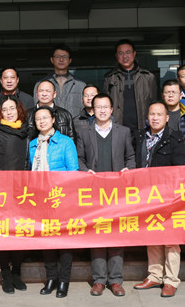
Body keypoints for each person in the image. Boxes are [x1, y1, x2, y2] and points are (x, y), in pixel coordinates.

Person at [76, 93, 135, 297]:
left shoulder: (124, 131)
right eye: (98, 107)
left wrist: (128, 170)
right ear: (93, 110)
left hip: (118, 193)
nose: (102, 110)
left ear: (111, 110)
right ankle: (99, 280)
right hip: (94, 192)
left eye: (105, 107)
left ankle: (116, 280)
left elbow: (130, 157)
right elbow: (79, 159)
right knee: (97, 236)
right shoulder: (84, 132)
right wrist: (85, 171)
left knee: (117, 235)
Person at [132, 102, 185, 298]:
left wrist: (174, 195)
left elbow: (180, 169)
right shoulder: (139, 136)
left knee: (171, 238)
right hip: (145, 195)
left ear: (167, 118)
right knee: (152, 235)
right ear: (147, 117)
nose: (155, 118)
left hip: (168, 195)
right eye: (152, 114)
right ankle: (155, 275)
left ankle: (171, 280)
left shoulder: (175, 138)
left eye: (159, 114)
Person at [28, 106, 79, 298]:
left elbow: (73, 171)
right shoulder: (32, 144)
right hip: (41, 199)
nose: (41, 121)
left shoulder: (65, 142)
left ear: (53, 119)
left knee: (65, 241)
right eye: (38, 119)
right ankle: (51, 278)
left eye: (45, 117)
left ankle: (64, 280)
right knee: (46, 239)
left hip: (62, 198)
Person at [0, 95, 29, 294]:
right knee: (2, 233)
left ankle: (17, 272)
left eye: (12, 108)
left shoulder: (26, 132)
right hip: (1, 192)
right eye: (5, 109)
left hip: (23, 192)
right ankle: (5, 273)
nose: (9, 112)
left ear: (19, 111)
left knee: (20, 233)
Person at [103, 39, 157, 131]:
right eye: (121, 53)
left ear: (134, 53)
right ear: (116, 55)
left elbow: (154, 103)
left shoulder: (148, 76)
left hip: (143, 128)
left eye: (128, 52)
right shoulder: (110, 77)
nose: (125, 56)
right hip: (118, 128)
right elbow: (105, 104)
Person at [33, 44, 86, 116]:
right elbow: (37, 107)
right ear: (52, 60)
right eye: (58, 56)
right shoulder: (41, 84)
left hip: (74, 122)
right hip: (50, 122)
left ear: (70, 60)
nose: (61, 60)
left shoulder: (80, 84)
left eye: (65, 57)